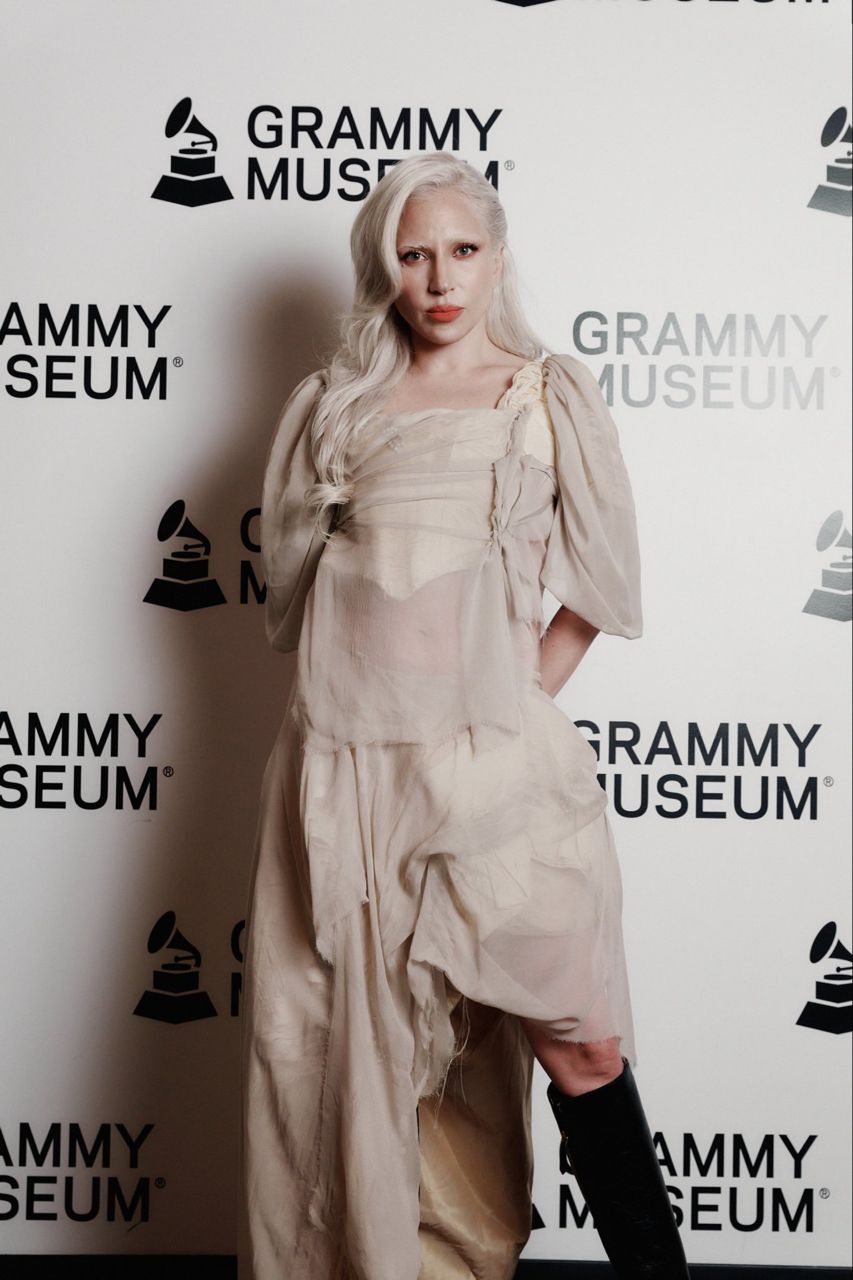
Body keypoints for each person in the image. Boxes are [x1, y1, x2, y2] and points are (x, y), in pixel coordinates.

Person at [238, 151, 689, 1280]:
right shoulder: (333, 409)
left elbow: (599, 592)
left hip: (494, 776)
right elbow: (299, 609)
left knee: (581, 1043)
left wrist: (508, 702)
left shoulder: (545, 396)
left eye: (462, 250)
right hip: (350, 780)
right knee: (341, 1055)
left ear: (496, 259)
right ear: (382, 267)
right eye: (413, 253)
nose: (439, 278)